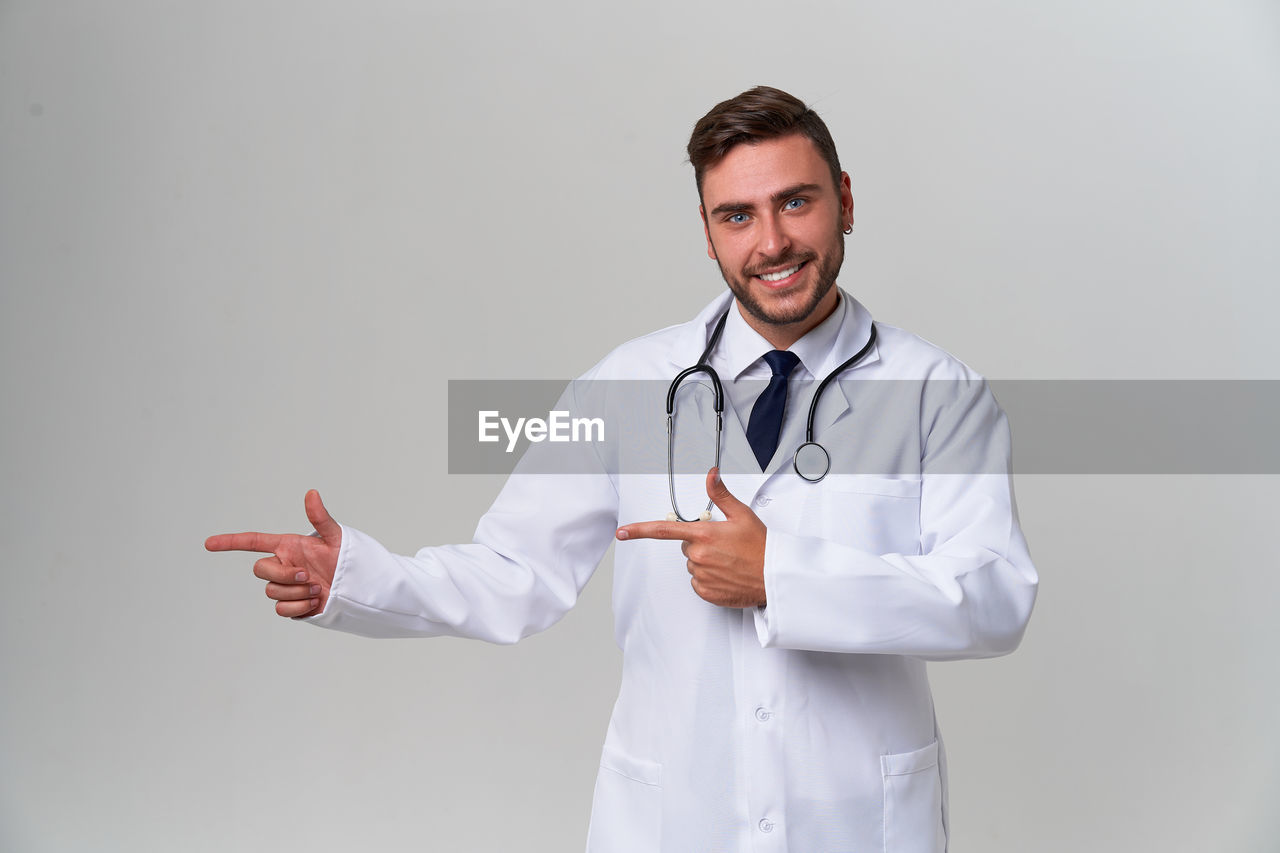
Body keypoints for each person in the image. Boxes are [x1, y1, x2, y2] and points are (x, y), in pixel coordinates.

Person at [207, 86, 1038, 852]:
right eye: (737, 216)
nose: (773, 241)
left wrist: (778, 573)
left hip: (856, 819)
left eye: (796, 201)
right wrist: (355, 577)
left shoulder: (940, 392)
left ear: (845, 201)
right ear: (707, 234)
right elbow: (515, 570)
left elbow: (994, 595)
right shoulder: (628, 384)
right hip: (676, 815)